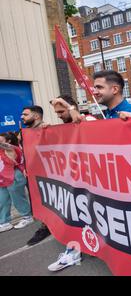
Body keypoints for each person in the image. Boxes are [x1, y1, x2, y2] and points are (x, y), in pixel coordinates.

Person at [46, 95, 85, 272]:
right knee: (74, 215)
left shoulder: (86, 120)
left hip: (93, 184)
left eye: (61, 111)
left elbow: (78, 119)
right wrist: (47, 132)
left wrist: (70, 108)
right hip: (75, 182)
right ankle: (73, 251)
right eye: (56, 113)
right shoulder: (64, 127)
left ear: (71, 107)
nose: (59, 115)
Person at [23, 106, 53, 246]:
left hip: (46, 175)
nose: (22, 117)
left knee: (47, 200)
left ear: (36, 117)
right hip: (31, 174)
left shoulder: (47, 129)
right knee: (37, 200)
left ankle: (47, 226)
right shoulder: (25, 133)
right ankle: (45, 225)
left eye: (25, 114)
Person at [0, 132, 33, 232]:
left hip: (14, 175)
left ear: (8, 141)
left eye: (0, 139)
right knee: (3, 200)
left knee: (17, 198)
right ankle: (4, 222)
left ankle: (27, 217)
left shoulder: (13, 148)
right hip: (3, 178)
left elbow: (10, 151)